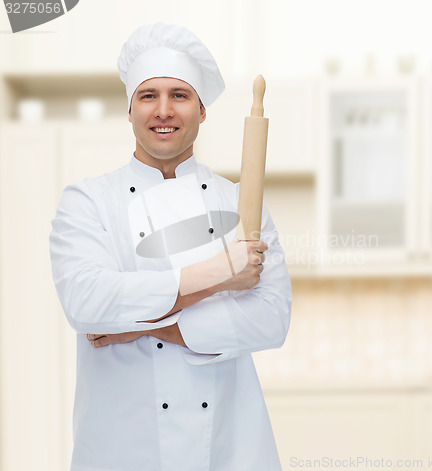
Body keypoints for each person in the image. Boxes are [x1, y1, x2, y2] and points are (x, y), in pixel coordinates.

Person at [49, 22, 292, 471]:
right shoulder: (87, 201)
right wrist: (221, 273)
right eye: (148, 95)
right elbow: (87, 303)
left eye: (179, 95)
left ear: (201, 111)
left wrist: (141, 326)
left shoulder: (239, 204)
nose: (164, 110)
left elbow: (271, 320)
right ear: (129, 110)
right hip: (123, 451)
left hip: (230, 449)